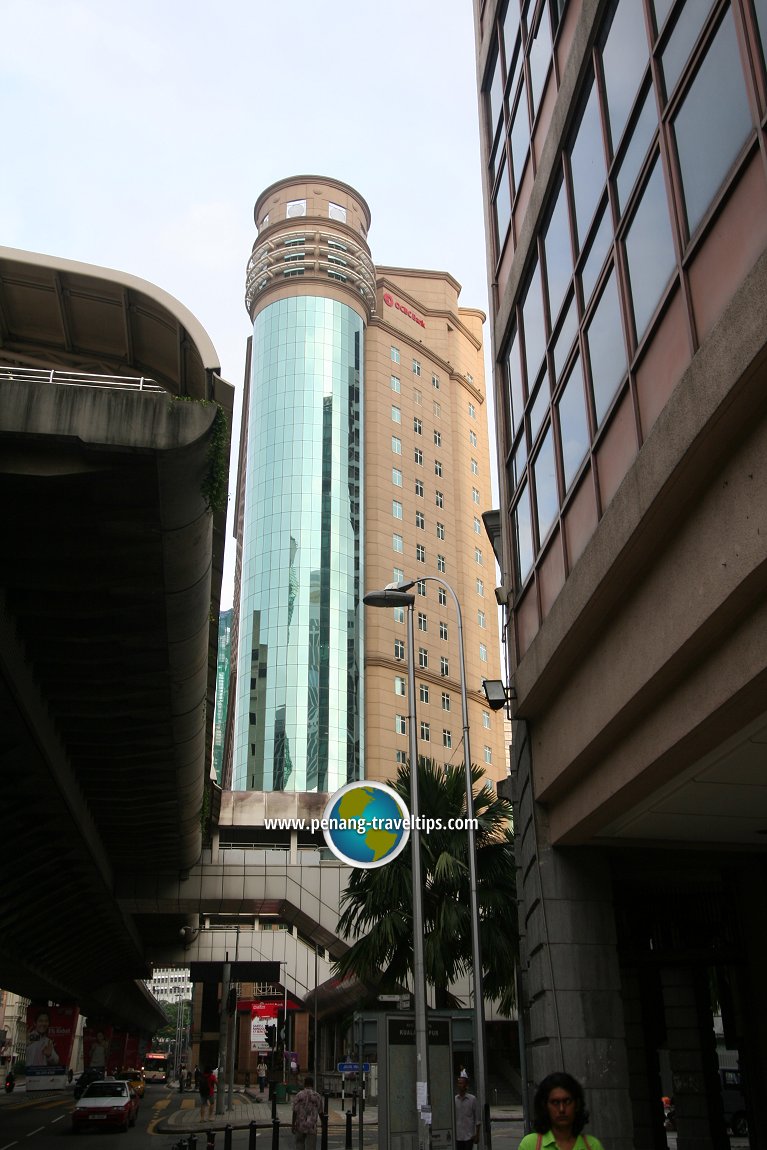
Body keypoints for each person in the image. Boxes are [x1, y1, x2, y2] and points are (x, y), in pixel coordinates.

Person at [517, 1072, 605, 1150]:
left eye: (567, 1101)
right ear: (545, 1106)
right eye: (555, 1102)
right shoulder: (530, 1145)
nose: (561, 1109)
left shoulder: (592, 1146)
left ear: (577, 1104)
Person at [291, 1075, 323, 1150]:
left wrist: (293, 1125)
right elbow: (321, 1112)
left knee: (299, 1144)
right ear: (312, 1084)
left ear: (304, 1084)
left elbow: (295, 1111)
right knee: (311, 1147)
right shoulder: (317, 1096)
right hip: (311, 1127)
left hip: (300, 1126)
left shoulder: (299, 1095)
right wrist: (323, 1123)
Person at [455, 1074, 481, 1149]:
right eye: (459, 1083)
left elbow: (477, 1119)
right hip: (457, 1137)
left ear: (466, 1085)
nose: (459, 1085)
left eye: (461, 1083)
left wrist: (477, 1135)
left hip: (469, 1137)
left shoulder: (472, 1099)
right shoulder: (455, 1100)